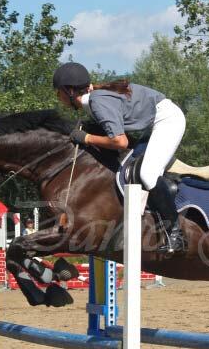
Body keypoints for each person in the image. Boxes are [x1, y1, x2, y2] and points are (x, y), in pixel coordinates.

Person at [53, 61, 187, 254]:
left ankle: (176, 234)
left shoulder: (96, 102)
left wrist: (87, 138)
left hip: (168, 120)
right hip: (152, 124)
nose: (58, 97)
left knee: (148, 174)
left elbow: (120, 142)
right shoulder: (93, 100)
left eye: (58, 93)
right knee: (131, 167)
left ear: (70, 91)